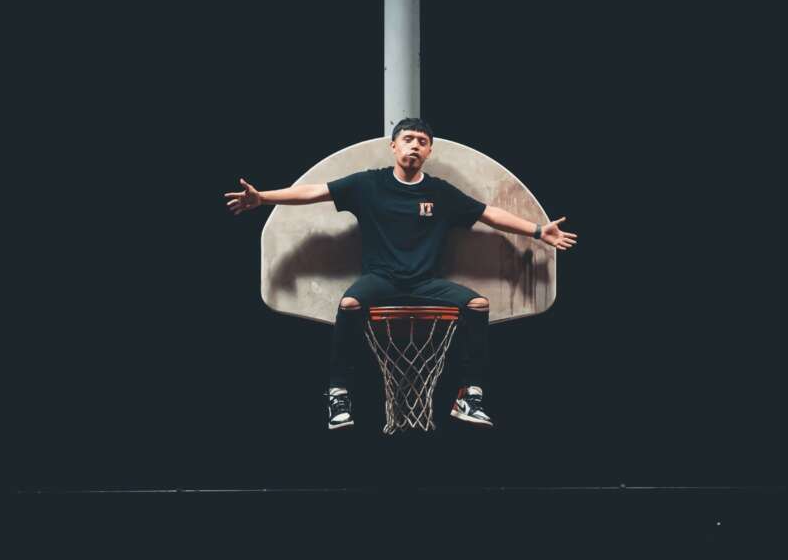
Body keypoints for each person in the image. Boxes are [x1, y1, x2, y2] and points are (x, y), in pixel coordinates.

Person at [225, 117, 576, 429]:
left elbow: (489, 214)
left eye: (422, 142)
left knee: (478, 304)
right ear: (394, 146)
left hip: (425, 282)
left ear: (429, 151)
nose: (415, 145)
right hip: (381, 279)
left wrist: (537, 231)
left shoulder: (440, 192)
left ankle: (470, 395)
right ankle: (338, 394)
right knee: (349, 304)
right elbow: (315, 191)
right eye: (408, 139)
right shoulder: (368, 185)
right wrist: (264, 198)